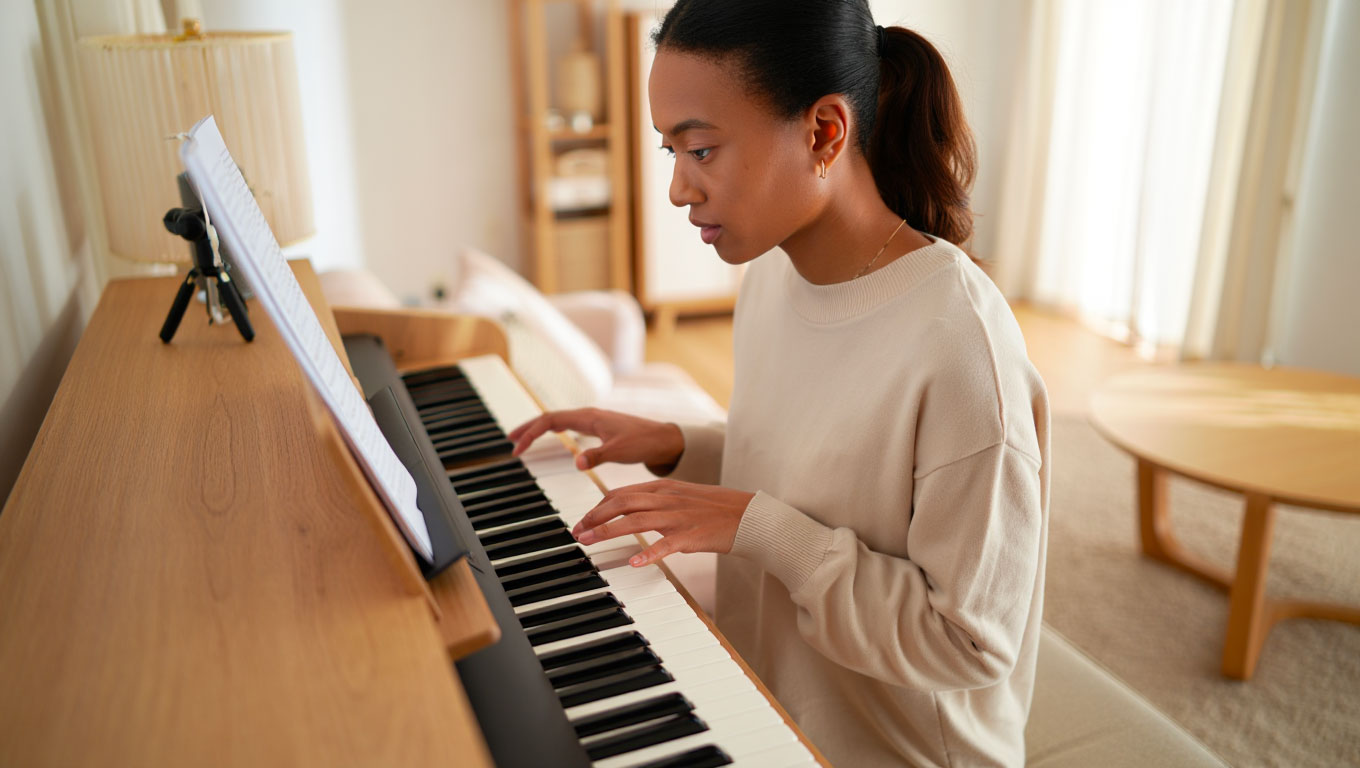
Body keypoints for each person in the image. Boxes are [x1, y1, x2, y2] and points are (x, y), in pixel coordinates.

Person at [509, 1, 1050, 765]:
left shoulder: (961, 344)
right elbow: (827, 472)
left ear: (825, 132)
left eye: (701, 149)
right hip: (762, 708)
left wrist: (760, 529)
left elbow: (967, 642)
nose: (678, 189)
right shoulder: (771, 276)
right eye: (671, 150)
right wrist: (678, 445)